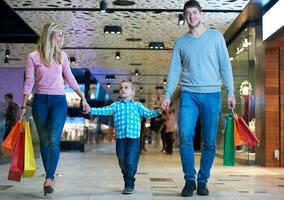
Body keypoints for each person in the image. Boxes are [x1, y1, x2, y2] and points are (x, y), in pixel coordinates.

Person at [161, 0, 236, 197]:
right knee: (185, 136)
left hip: (212, 94)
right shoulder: (181, 43)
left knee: (210, 141)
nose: (192, 17)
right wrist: (167, 94)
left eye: (195, 12)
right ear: (184, 16)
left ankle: (203, 180)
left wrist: (231, 91)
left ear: (201, 14)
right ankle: (189, 180)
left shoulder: (216, 37)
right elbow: (174, 71)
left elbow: (224, 66)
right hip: (188, 95)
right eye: (188, 14)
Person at [19, 22, 90, 196]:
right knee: (43, 141)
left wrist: (83, 97)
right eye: (59, 35)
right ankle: (49, 175)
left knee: (52, 138)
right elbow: (29, 81)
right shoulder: (33, 57)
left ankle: (49, 177)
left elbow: (71, 78)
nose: (62, 39)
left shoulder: (62, 56)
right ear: (50, 35)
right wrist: (23, 104)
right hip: (40, 102)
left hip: (58, 101)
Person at [88, 80, 160, 194]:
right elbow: (103, 110)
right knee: (122, 161)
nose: (123, 89)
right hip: (121, 139)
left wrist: (158, 110)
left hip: (134, 139)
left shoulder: (137, 106)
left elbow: (148, 113)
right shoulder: (116, 106)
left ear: (133, 92)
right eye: (121, 88)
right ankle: (127, 174)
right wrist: (90, 109)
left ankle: (129, 184)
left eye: (126, 87)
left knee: (130, 161)